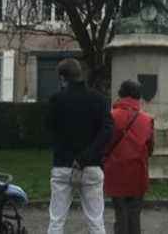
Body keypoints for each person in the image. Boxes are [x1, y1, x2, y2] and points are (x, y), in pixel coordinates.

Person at [45, 58, 113, 234]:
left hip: (63, 165)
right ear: (79, 74)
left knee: (56, 220)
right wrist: (87, 156)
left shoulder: (56, 100)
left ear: (62, 78)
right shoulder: (98, 99)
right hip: (91, 165)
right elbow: (107, 131)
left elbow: (50, 130)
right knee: (96, 221)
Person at [103, 80, 154, 234]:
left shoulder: (111, 116)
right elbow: (150, 148)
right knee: (135, 213)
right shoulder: (147, 120)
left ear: (120, 94)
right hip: (137, 171)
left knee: (120, 212)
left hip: (115, 170)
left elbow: (105, 143)